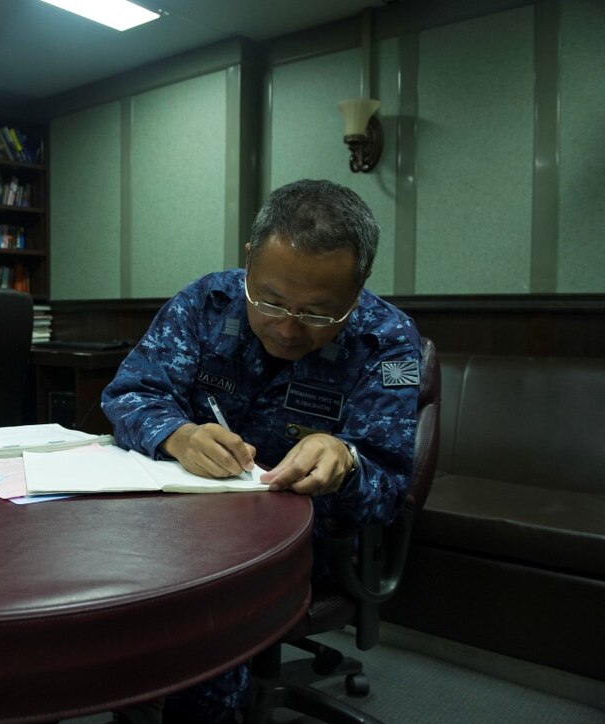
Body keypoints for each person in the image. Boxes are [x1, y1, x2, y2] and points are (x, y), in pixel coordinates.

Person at [102, 179, 421, 721]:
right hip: (179, 516)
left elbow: (389, 490)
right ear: (249, 260)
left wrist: (345, 463)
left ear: (359, 285)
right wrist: (177, 435)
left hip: (298, 539)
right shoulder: (209, 302)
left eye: (319, 313)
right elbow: (131, 392)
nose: (289, 329)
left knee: (212, 601)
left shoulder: (386, 341)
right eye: (270, 300)